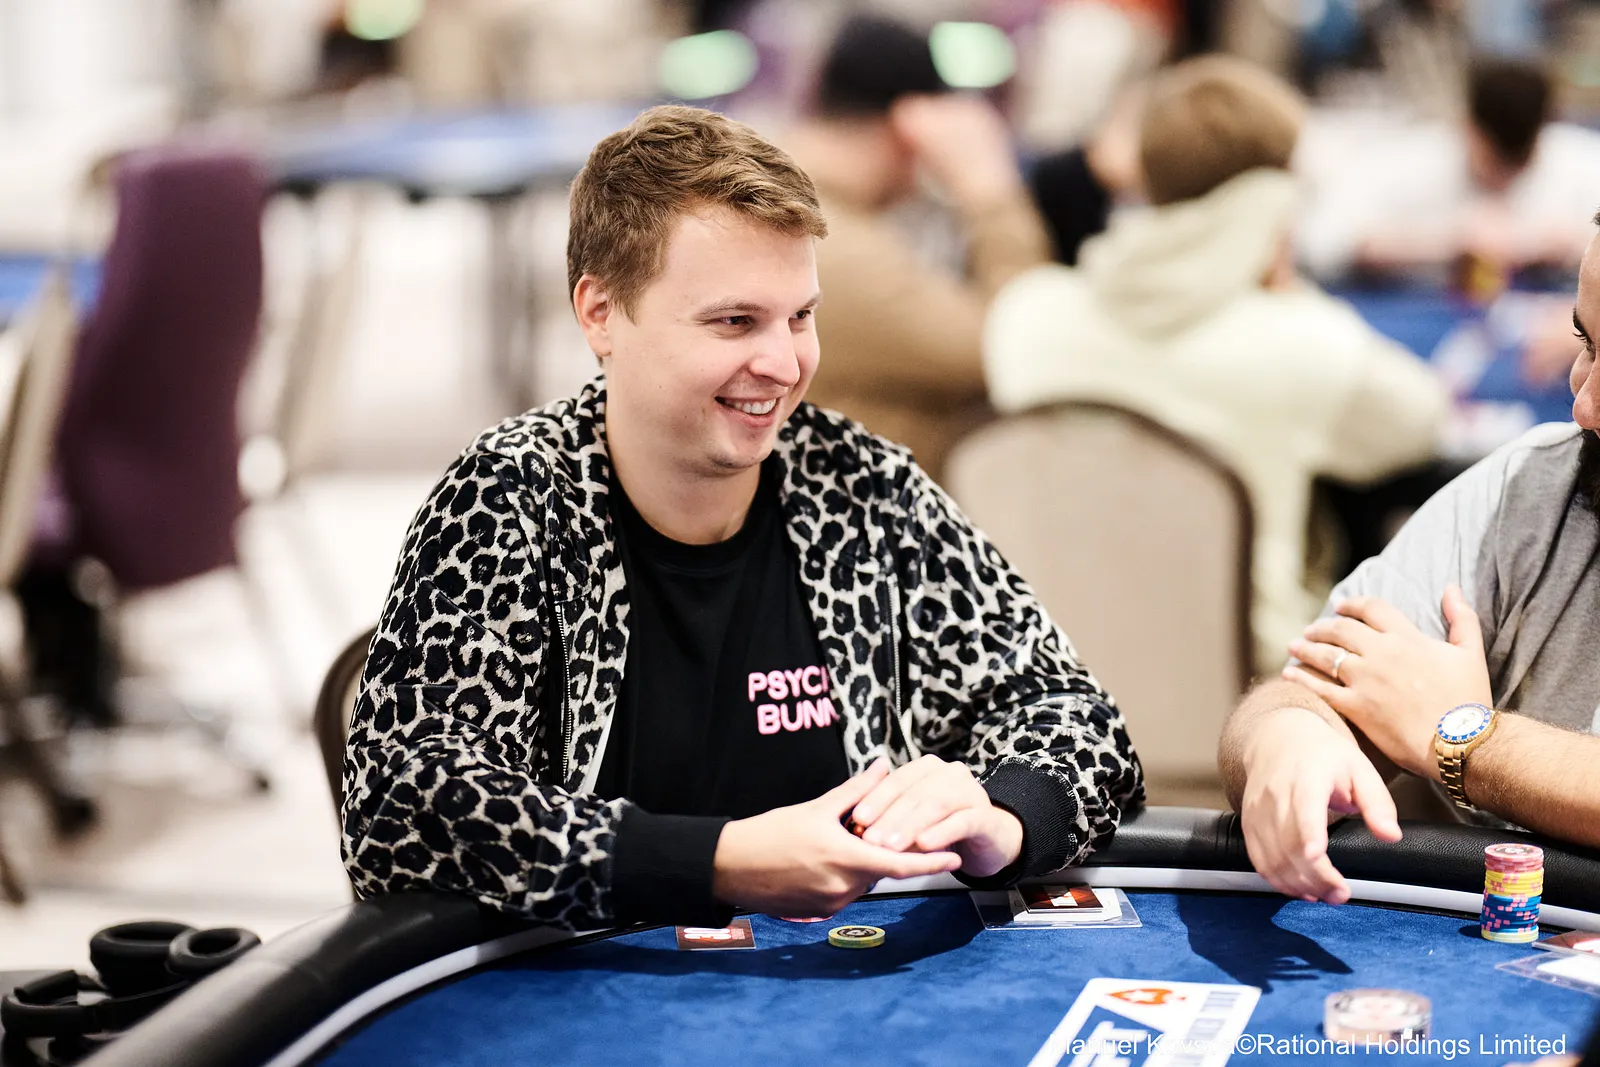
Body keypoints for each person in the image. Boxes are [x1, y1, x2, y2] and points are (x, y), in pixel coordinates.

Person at [341, 105, 1143, 930]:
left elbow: (1077, 717)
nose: (785, 362)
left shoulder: (862, 487)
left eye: (801, 316)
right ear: (600, 313)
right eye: (735, 321)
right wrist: (721, 862)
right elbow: (402, 806)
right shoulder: (512, 498)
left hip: (841, 982)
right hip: (579, 985)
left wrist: (998, 813)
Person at [983, 54, 1447, 674]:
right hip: (1245, 696)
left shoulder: (1026, 316)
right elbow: (1422, 421)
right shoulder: (1303, 342)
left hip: (1049, 680)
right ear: (1275, 203)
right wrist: (1289, 287)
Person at [1220, 208, 1600, 906]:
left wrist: (1465, 742)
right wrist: (1287, 739)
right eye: (1586, 343)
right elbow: (1301, 691)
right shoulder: (1534, 483)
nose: (1584, 407)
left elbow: (1437, 723)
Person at [781, 15, 1051, 484]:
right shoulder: (826, 244)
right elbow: (1017, 346)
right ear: (913, 124)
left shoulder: (793, 214)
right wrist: (989, 188)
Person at [1301, 57, 1600, 288]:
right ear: (1468, 128)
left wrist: (1571, 246)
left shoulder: (1578, 160)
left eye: (1517, 167)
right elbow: (1320, 243)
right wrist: (1446, 242)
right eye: (1492, 163)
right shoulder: (1411, 160)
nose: (1502, 180)